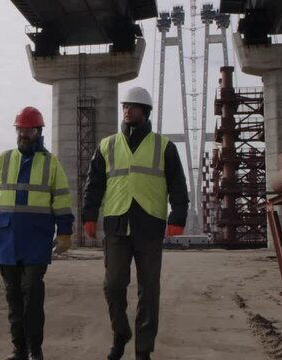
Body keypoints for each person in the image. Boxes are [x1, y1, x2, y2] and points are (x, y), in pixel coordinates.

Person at [82, 87, 189, 360]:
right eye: (125, 106)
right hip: (117, 225)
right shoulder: (107, 145)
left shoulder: (164, 147)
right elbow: (94, 185)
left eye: (134, 106)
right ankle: (121, 333)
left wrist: (178, 217)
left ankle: (143, 350)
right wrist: (89, 215)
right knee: (113, 284)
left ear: (146, 111)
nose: (127, 110)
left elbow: (178, 185)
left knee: (149, 291)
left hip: (150, 225)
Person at [0, 106, 74, 360]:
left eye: (27, 130)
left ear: (39, 132)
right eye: (19, 130)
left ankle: (34, 350)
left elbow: (62, 201)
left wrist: (65, 233)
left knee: (32, 292)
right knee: (13, 295)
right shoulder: (3, 160)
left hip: (37, 240)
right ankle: (19, 349)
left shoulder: (51, 164)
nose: (22, 134)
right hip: (8, 238)